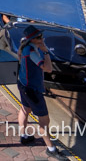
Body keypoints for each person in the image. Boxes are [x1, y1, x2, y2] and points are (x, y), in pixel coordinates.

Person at [16, 26, 59, 155]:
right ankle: (51, 149)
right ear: (33, 39)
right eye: (39, 37)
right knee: (44, 121)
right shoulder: (32, 52)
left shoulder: (25, 48)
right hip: (32, 90)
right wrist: (45, 52)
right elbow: (48, 69)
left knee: (25, 109)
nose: (42, 39)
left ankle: (23, 136)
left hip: (23, 85)